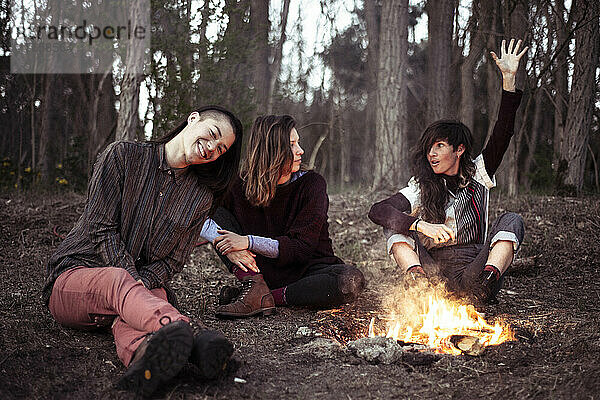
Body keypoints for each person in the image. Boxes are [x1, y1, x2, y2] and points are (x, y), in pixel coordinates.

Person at [42, 106, 244, 396]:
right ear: (193, 118)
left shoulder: (198, 197)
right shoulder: (122, 156)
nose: (212, 148)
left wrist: (140, 286)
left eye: (221, 149)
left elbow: (173, 261)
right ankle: (194, 337)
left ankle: (144, 362)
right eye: (212, 135)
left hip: (135, 296)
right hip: (75, 278)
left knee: (148, 298)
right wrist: (134, 283)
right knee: (118, 281)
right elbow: (100, 228)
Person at [368, 39, 528, 304]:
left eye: (440, 146)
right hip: (433, 276)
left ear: (460, 149)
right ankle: (417, 282)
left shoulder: (479, 173)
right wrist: (420, 225)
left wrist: (509, 80)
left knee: (512, 220)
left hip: (473, 272)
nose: (431, 153)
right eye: (429, 147)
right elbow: (378, 211)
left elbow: (503, 131)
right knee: (394, 225)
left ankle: (487, 284)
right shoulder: (421, 185)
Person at [199, 114, 365, 318]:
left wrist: (247, 242)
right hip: (259, 271)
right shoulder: (237, 186)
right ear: (272, 151)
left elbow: (301, 249)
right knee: (215, 213)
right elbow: (196, 214)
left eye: (298, 143)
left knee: (349, 280)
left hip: (307, 272)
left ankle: (265, 296)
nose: (300, 151)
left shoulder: (312, 184)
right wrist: (225, 244)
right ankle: (254, 286)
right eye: (292, 145)